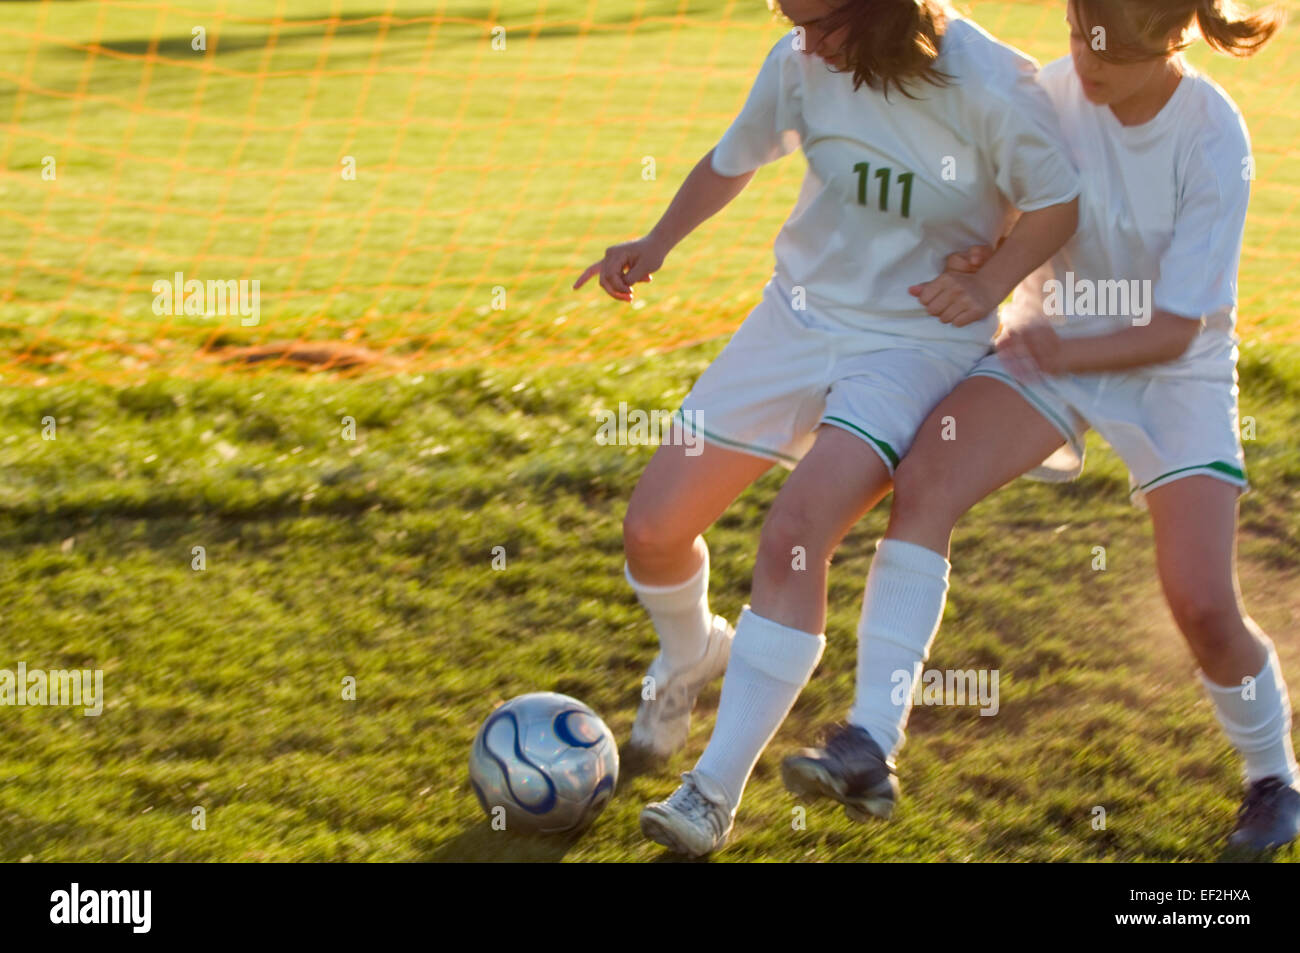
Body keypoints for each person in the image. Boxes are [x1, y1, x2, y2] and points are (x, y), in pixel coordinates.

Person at [783, 0, 1299, 854]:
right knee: (927, 478)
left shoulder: (1214, 133)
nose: (1089, 66)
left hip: (1171, 371)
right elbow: (1012, 211)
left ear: (1173, 38)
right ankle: (870, 739)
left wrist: (1061, 344)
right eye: (1077, 36)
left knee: (1204, 604)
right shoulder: (1049, 94)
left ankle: (1273, 780)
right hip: (1051, 350)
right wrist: (984, 261)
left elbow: (1177, 328)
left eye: (1117, 54)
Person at [575, 0, 1081, 855]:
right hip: (795, 321)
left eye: (819, 23)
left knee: (798, 534)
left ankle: (710, 796)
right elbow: (731, 160)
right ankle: (695, 650)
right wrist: (657, 240)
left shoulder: (992, 84)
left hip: (915, 344)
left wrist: (991, 281)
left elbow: (1059, 204)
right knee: (653, 529)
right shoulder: (800, 61)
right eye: (789, 15)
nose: (801, 39)